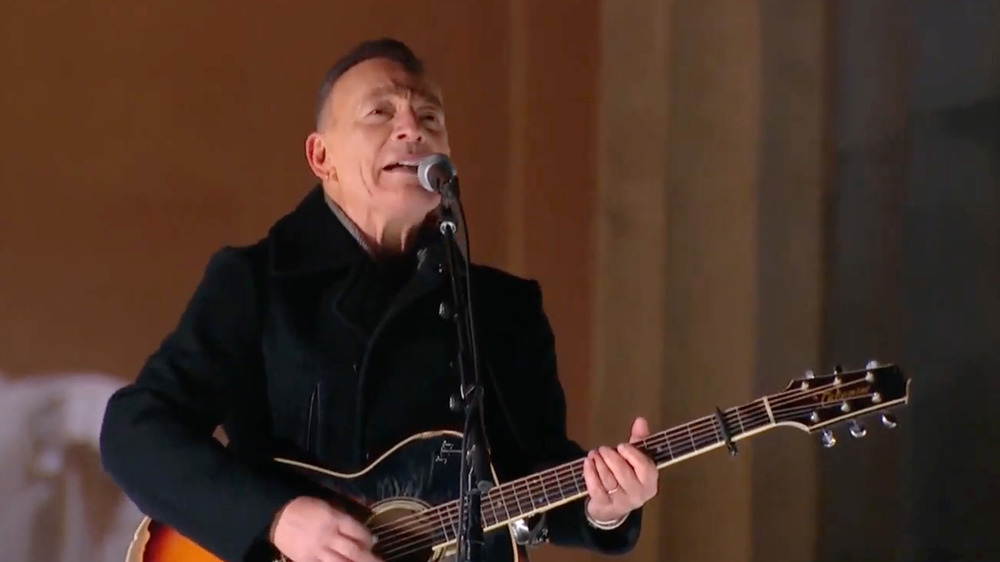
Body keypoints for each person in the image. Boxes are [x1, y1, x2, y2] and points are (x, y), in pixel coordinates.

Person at [99, 38, 657, 562]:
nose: (412, 129)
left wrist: (604, 506)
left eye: (430, 118)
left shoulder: (503, 309)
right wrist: (278, 519)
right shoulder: (256, 283)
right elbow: (136, 430)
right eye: (380, 114)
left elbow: (533, 473)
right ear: (322, 157)